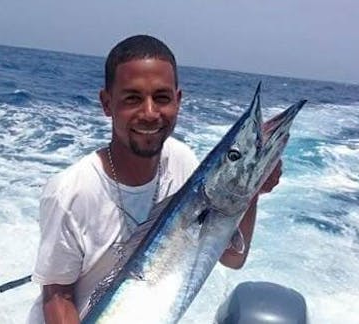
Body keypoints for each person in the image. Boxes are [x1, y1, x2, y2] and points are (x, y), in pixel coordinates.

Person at [27, 35, 282, 324]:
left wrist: (252, 191)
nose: (149, 113)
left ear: (178, 100)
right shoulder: (69, 192)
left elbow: (233, 258)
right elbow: (57, 296)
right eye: (132, 98)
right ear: (106, 103)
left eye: (161, 98)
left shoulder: (181, 160)